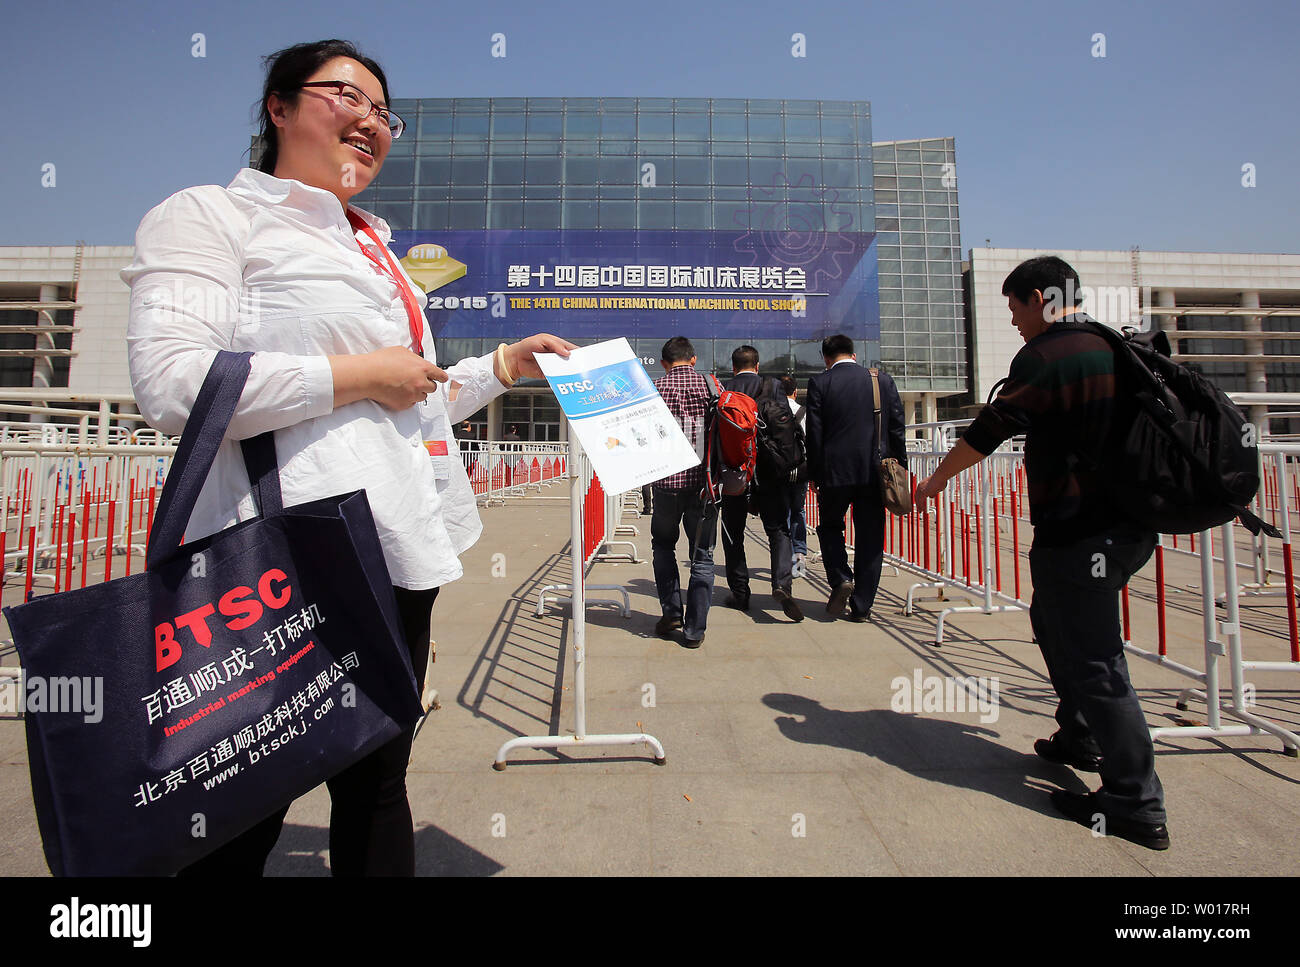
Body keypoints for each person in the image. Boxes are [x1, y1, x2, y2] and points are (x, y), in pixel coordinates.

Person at [122, 38, 576, 876]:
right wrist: (356, 372)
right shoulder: (212, 216)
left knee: (376, 781)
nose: (371, 120)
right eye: (348, 97)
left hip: (397, 555)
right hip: (283, 560)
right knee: (249, 795)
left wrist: (506, 363)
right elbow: (175, 386)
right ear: (280, 108)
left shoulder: (375, 248)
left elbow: (407, 403)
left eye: (384, 111)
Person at [914, 256, 1168, 851]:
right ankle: (1080, 735)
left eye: (1014, 307)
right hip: (1126, 527)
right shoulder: (1116, 345)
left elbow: (988, 430)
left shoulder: (1051, 355)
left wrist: (935, 481)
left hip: (1082, 530)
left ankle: (1136, 801)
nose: (1014, 320)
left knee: (1096, 661)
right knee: (1052, 624)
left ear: (1039, 297)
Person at [805, 334, 905, 621]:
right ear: (854, 354)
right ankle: (862, 606)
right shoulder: (881, 381)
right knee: (870, 538)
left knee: (830, 528)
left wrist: (814, 472)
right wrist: (900, 469)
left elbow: (815, 433)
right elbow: (897, 426)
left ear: (826, 358)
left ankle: (840, 578)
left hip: (834, 473)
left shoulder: (820, 383)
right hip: (876, 473)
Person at [649, 336, 718, 648]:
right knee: (702, 554)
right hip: (705, 488)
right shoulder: (712, 388)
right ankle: (695, 631)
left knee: (663, 547)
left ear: (665, 363)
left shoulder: (653, 389)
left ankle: (672, 612)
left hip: (665, 485)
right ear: (693, 359)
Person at [781, 375, 809, 579]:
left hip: (779, 471)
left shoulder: (772, 411)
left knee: (783, 513)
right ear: (795, 391)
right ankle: (799, 555)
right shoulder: (803, 412)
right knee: (798, 510)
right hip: (801, 470)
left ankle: (782, 556)